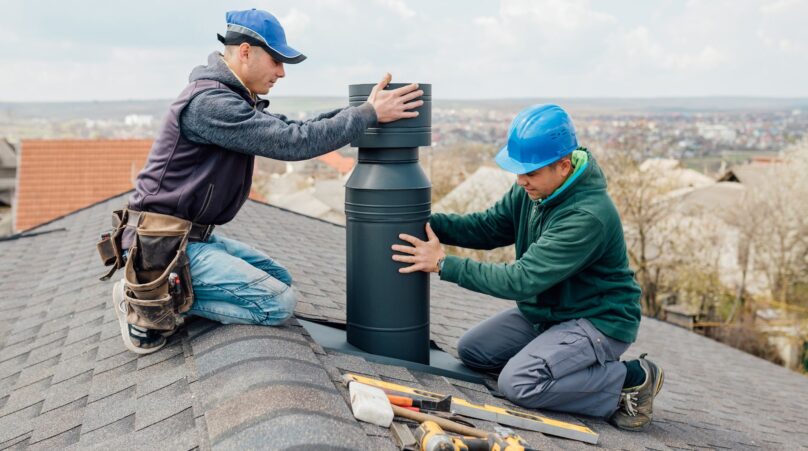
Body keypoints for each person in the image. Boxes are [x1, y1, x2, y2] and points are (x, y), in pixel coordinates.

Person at [110, 9, 422, 355]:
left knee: (280, 279)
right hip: (162, 247)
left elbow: (294, 128)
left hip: (190, 240)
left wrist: (362, 108)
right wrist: (370, 114)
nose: (281, 72)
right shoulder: (211, 104)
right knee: (277, 303)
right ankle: (147, 301)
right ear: (245, 51)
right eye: (276, 60)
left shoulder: (232, 98)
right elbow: (294, 142)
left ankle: (168, 291)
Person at [391, 104, 663, 431]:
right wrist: (425, 223)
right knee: (473, 351)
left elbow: (520, 281)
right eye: (518, 171)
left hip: (597, 321)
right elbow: (489, 228)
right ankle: (561, 363)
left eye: (530, 173)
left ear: (563, 167)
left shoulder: (586, 216)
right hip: (549, 314)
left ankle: (628, 380)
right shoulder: (535, 190)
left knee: (518, 384)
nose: (521, 181)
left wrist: (443, 263)